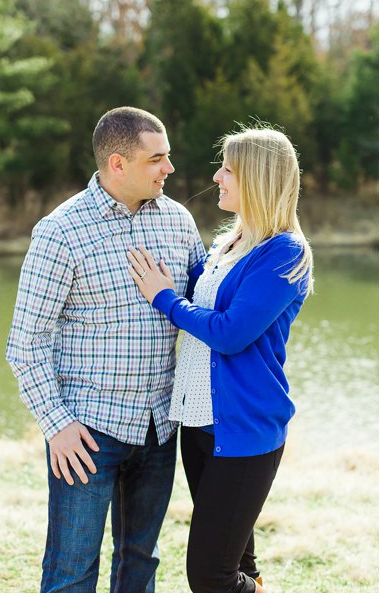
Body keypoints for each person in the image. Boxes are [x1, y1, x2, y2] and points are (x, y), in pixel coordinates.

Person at [6, 106, 205, 592]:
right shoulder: (61, 231)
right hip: (88, 433)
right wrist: (56, 424)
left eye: (168, 157)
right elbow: (25, 343)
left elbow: (208, 310)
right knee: (71, 573)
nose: (169, 169)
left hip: (160, 428)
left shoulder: (179, 222)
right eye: (157, 159)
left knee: (140, 563)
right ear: (118, 164)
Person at [126, 125, 313, 593]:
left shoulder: (284, 253)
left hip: (244, 432)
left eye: (228, 169)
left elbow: (230, 334)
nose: (216, 177)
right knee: (237, 561)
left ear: (257, 178)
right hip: (197, 423)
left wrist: (165, 299)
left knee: (210, 575)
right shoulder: (227, 244)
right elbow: (203, 307)